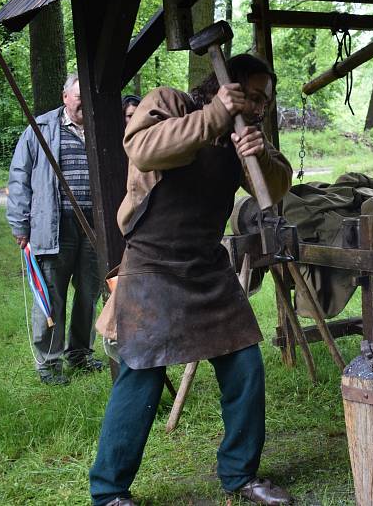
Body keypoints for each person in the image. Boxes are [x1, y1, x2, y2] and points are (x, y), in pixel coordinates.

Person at [89, 54, 294, 506]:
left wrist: (259, 156)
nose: (259, 107)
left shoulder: (243, 131)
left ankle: (241, 475)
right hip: (152, 265)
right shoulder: (170, 102)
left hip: (206, 265)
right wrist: (214, 115)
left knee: (244, 366)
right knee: (141, 374)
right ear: (230, 87)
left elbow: (276, 187)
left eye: (264, 101)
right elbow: (142, 148)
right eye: (254, 96)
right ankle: (108, 492)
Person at [7, 73, 103, 386]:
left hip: (94, 224)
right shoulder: (41, 128)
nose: (82, 105)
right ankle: (49, 364)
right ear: (65, 98)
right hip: (54, 224)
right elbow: (19, 178)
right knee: (51, 296)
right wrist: (20, 222)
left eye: (86, 99)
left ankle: (80, 354)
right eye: (78, 98)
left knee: (89, 294)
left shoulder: (100, 126)